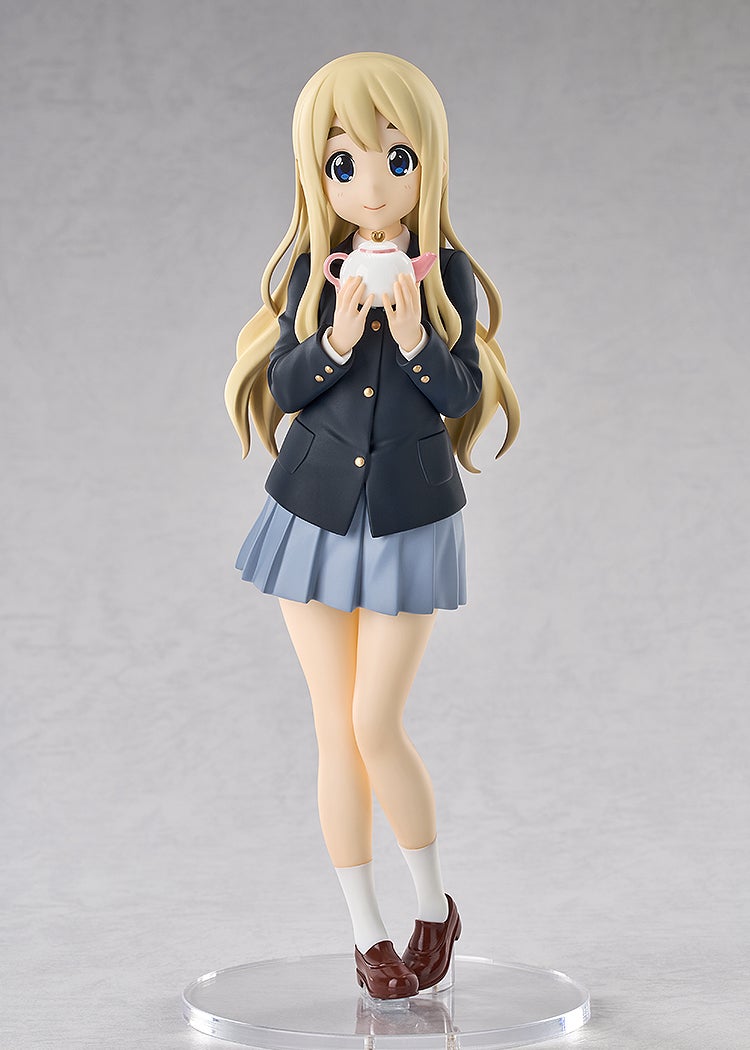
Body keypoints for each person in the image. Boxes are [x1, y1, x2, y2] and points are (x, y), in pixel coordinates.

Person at [225, 52, 519, 1000]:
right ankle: (366, 931)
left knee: (373, 720)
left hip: (407, 518)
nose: (373, 185)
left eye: (397, 158)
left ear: (429, 161)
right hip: (309, 513)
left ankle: (434, 906)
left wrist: (415, 334)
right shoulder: (312, 270)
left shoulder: (447, 273)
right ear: (317, 174)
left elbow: (461, 393)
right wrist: (341, 336)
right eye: (342, 163)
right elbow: (285, 384)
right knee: (333, 730)